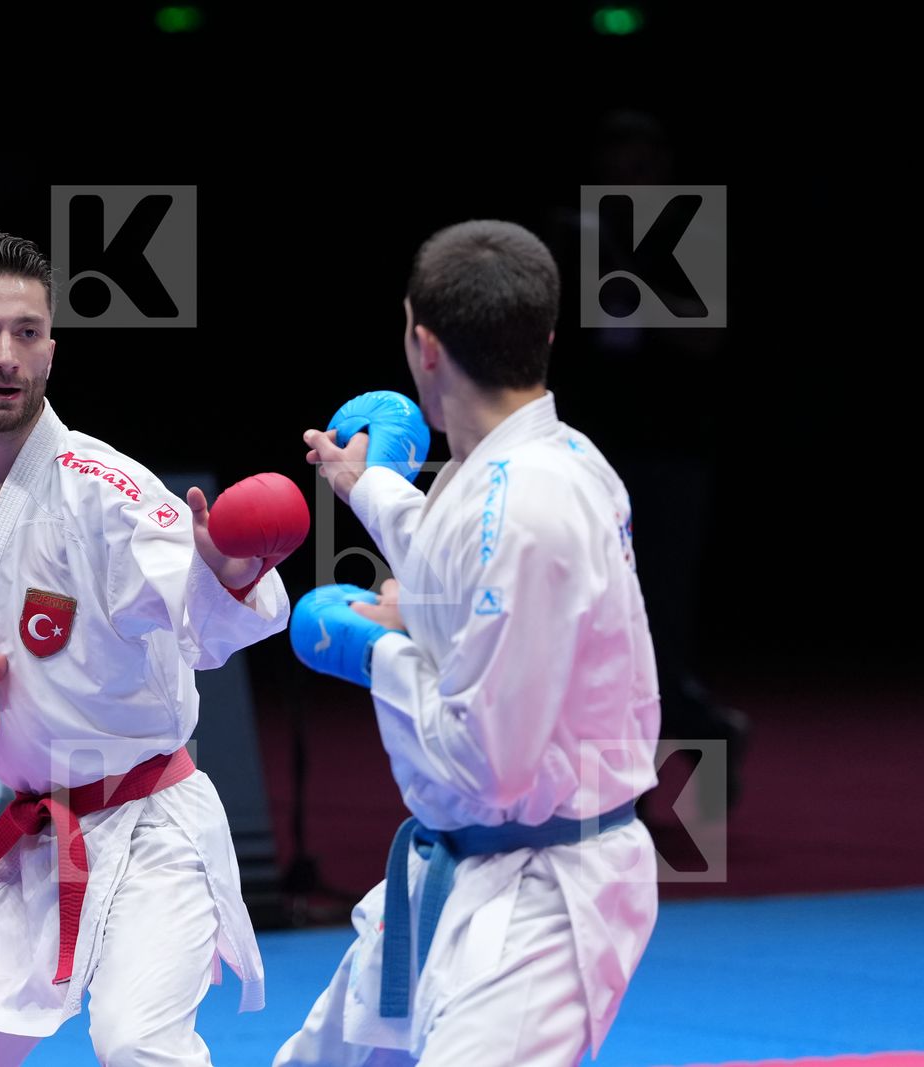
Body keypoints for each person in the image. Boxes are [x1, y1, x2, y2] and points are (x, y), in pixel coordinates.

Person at [0, 231, 296, 1066]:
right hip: (37, 837)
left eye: (27, 332)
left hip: (154, 828)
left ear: (52, 347)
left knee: (138, 1044)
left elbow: (206, 626)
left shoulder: (106, 490)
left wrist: (226, 571)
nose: (7, 355)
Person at [276, 220, 659, 1065]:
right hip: (460, 867)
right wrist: (370, 483)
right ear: (547, 335)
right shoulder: (539, 464)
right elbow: (464, 566)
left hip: (542, 896)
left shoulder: (530, 505)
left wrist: (375, 650)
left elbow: (494, 763)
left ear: (423, 343)